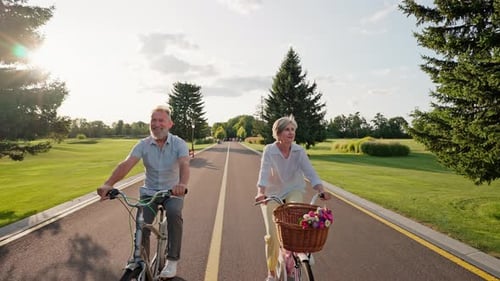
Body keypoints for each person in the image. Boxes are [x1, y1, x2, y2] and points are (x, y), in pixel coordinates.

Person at [97, 104, 190, 279]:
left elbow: (185, 164)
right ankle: (140, 259)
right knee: (141, 222)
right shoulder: (143, 144)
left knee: (174, 212)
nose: (156, 124)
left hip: (172, 192)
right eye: (153, 120)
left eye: (161, 120)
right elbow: (127, 164)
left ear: (170, 124)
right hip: (149, 193)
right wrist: (108, 183)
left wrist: (182, 184)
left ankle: (172, 259)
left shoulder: (179, 143)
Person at [255, 115, 332, 281]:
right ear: (278, 133)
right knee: (272, 235)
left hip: (293, 189)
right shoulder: (270, 150)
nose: (291, 133)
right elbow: (264, 172)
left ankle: (292, 261)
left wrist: (321, 189)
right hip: (272, 193)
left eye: (292, 130)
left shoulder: (299, 151)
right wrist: (261, 192)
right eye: (287, 130)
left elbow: (310, 172)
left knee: (295, 225)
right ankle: (272, 272)